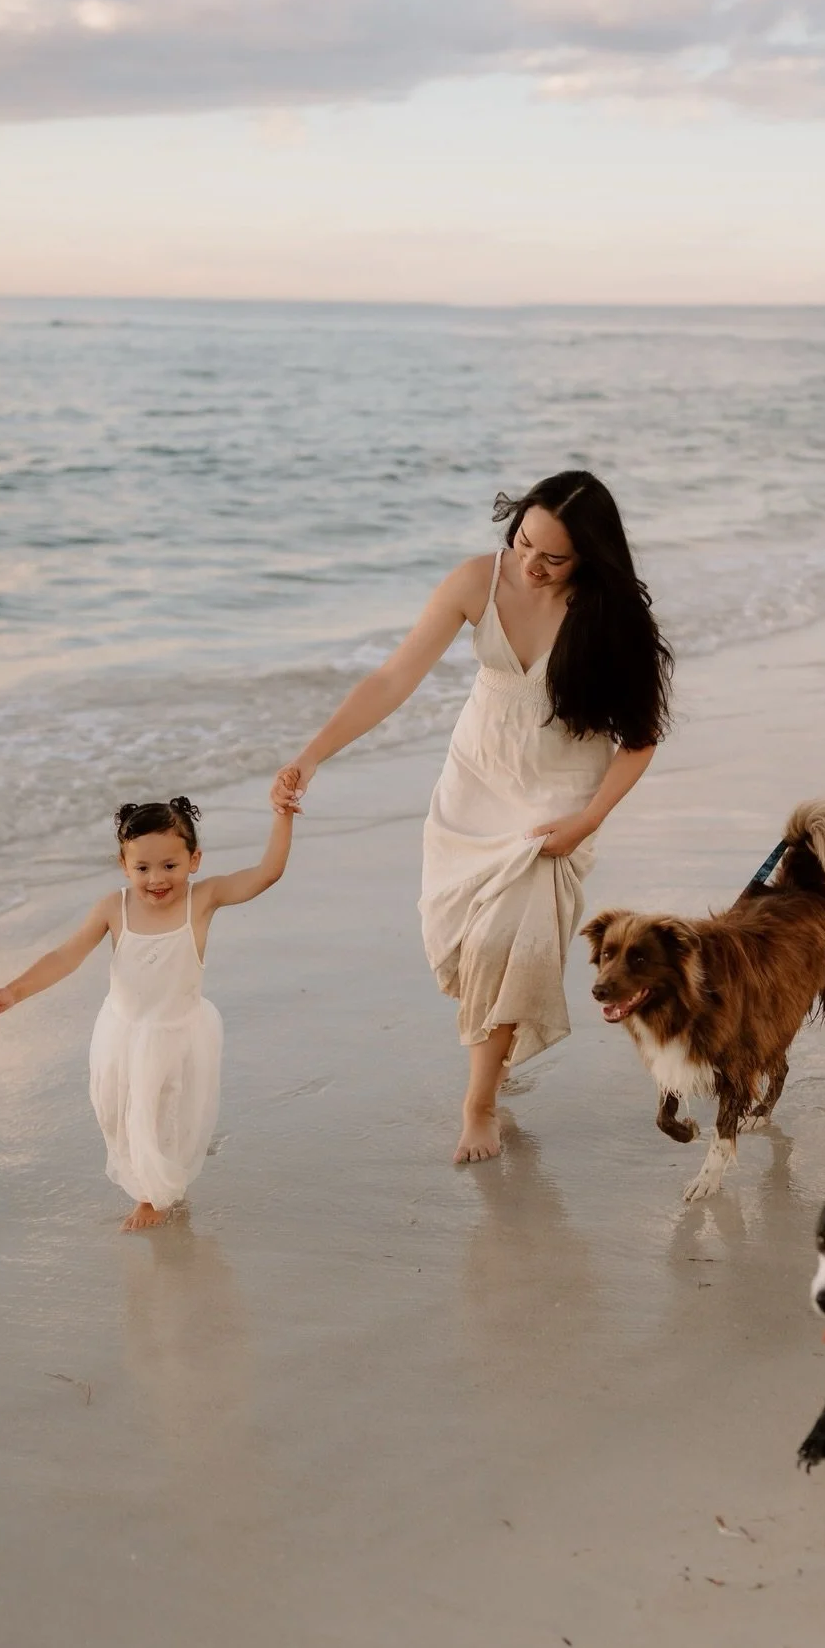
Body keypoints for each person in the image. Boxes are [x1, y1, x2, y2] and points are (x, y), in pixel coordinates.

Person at [271, 470, 672, 1165]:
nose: (530, 564)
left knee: (505, 943)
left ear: (591, 557)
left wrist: (584, 822)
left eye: (552, 557)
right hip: (475, 780)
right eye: (523, 542)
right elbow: (393, 678)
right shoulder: (475, 582)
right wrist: (311, 757)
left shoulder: (611, 619)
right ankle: (499, 1045)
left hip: (559, 798)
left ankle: (478, 1103)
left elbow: (638, 742)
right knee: (466, 945)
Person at [0, 796, 294, 1229]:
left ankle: (153, 1196)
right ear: (125, 866)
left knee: (160, 1112)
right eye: (142, 868)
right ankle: (154, 1179)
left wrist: (283, 815)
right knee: (117, 1115)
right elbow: (66, 956)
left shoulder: (202, 900)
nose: (156, 879)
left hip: (176, 1031)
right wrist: (14, 991)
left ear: (194, 859)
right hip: (121, 1033)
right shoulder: (115, 908)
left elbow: (267, 873)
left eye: (170, 865)